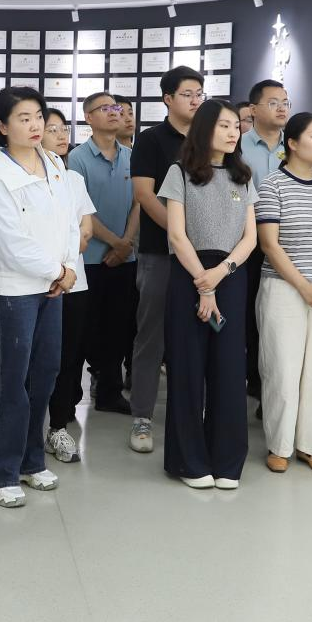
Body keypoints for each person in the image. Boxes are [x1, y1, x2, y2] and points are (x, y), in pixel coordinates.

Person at [0, 86, 79, 507]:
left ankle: (31, 460)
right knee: (10, 381)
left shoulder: (53, 161)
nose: (36, 125)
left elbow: (69, 220)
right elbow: (11, 240)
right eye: (24, 118)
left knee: (45, 374)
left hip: (53, 286)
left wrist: (68, 267)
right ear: (2, 126)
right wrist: (58, 271)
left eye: (38, 116)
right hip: (14, 290)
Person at [158, 99, 257, 489]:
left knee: (229, 370)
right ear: (204, 129)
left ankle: (227, 461)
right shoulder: (179, 173)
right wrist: (203, 281)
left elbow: (250, 238)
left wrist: (219, 275)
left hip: (230, 274)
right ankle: (189, 461)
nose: (233, 133)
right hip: (189, 273)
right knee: (187, 368)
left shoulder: (243, 176)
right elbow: (176, 234)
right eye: (224, 126)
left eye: (236, 126)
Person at [255, 112, 312, 476]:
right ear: (292, 143)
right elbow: (269, 244)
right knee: (283, 368)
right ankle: (279, 446)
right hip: (284, 288)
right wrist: (304, 285)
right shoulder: (273, 185)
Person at [128, 66, 205, 453]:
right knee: (151, 337)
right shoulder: (151, 140)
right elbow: (144, 195)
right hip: (161, 252)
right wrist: (181, 234)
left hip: (206, 257)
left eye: (200, 93)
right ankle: (142, 417)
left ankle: (191, 414)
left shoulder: (211, 138)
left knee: (197, 338)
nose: (195, 100)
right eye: (188, 94)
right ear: (168, 99)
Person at [65, 92, 137, 416]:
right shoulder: (77, 158)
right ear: (88, 118)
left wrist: (126, 243)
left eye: (116, 108)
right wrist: (115, 243)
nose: (113, 113)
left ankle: (110, 392)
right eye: (104, 108)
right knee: (82, 332)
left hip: (125, 259)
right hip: (88, 259)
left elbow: (139, 202)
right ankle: (69, 398)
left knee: (118, 329)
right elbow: (80, 209)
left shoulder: (131, 156)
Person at [43, 107, 96, 463]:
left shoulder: (74, 179)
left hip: (74, 281)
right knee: (37, 361)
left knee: (69, 358)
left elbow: (85, 231)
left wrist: (63, 265)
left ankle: (58, 425)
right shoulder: (21, 177)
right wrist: (55, 261)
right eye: (53, 129)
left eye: (64, 128)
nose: (62, 135)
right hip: (35, 282)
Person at [238, 80, 291, 405]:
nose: (282, 108)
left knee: (278, 316)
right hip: (247, 243)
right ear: (253, 109)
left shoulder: (295, 144)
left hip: (287, 244)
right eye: (273, 102)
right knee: (248, 315)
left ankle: (272, 386)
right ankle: (252, 382)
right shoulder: (237, 146)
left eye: (285, 102)